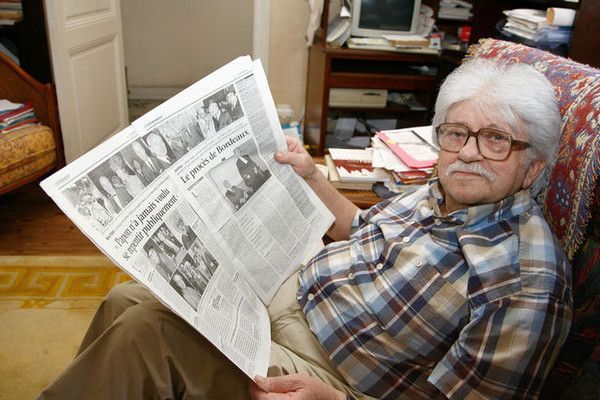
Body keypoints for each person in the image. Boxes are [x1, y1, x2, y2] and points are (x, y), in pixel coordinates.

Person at [38, 59, 572, 400]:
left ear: (534, 163)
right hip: (293, 296)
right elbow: (364, 230)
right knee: (128, 298)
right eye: (457, 133)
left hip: (328, 371)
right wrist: (312, 177)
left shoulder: (525, 284)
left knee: (147, 335)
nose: (469, 153)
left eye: (497, 139)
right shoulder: (442, 190)